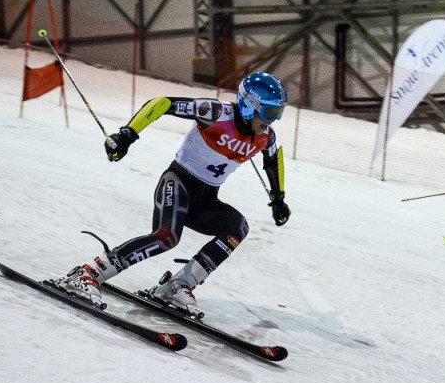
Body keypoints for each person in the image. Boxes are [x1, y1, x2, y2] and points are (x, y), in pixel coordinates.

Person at [56, 71, 291, 315]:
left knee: (237, 227)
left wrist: (278, 199)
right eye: (270, 112)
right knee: (166, 237)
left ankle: (179, 285)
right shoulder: (216, 112)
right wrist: (127, 134)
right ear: (248, 106)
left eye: (278, 113)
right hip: (177, 183)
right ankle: (88, 273)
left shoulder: (265, 136)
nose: (273, 120)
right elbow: (162, 103)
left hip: (205, 201)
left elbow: (274, 159)